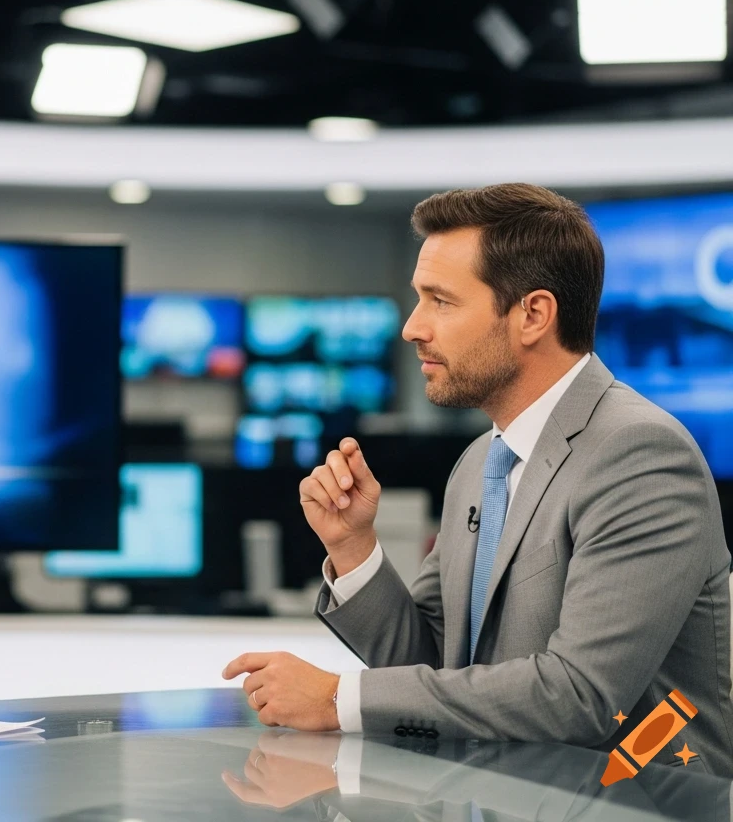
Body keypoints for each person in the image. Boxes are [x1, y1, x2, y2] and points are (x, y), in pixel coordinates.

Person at [224, 183, 733, 775]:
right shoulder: (479, 462)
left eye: (440, 301)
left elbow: (581, 697)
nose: (413, 327)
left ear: (533, 315)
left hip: (639, 806)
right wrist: (353, 547)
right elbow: (436, 666)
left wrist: (340, 698)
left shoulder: (639, 454)